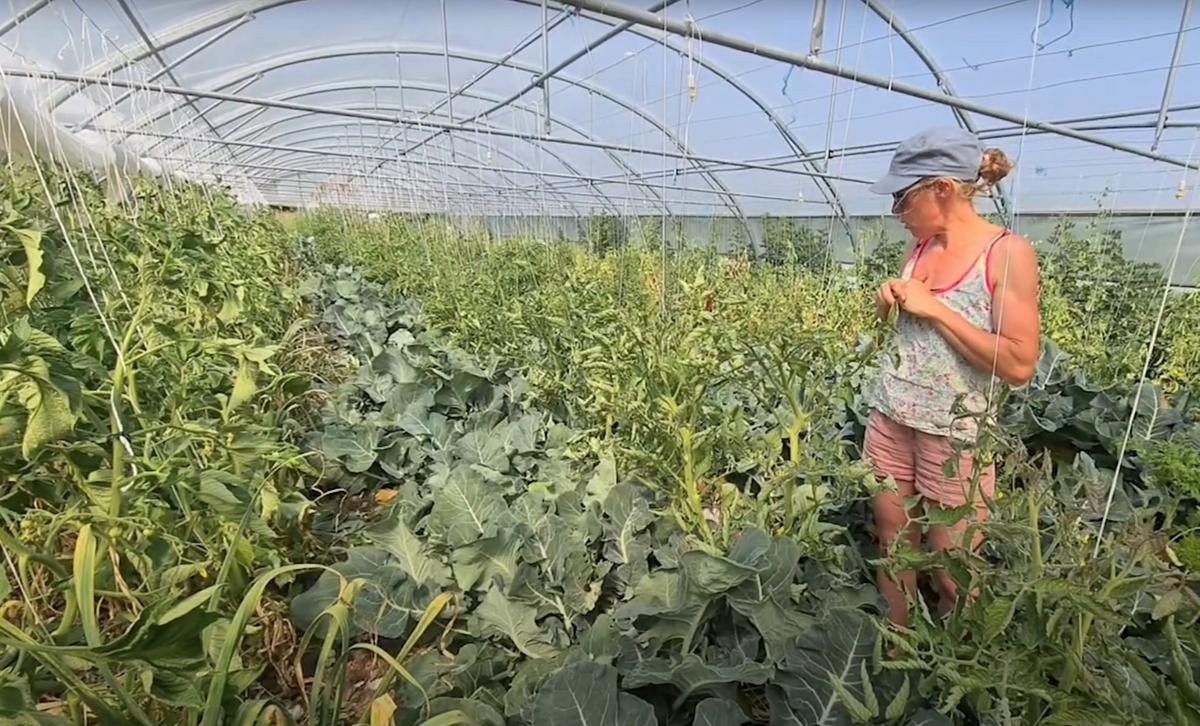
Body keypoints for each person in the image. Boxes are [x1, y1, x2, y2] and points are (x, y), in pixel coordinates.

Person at [864, 127, 1040, 626]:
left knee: (952, 571)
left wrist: (936, 309)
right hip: (892, 418)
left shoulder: (1006, 253)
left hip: (956, 438)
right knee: (894, 544)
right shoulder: (920, 248)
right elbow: (903, 333)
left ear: (941, 188)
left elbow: (1018, 364)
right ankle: (893, 649)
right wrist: (886, 305)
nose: (896, 212)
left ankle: (952, 662)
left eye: (902, 198)